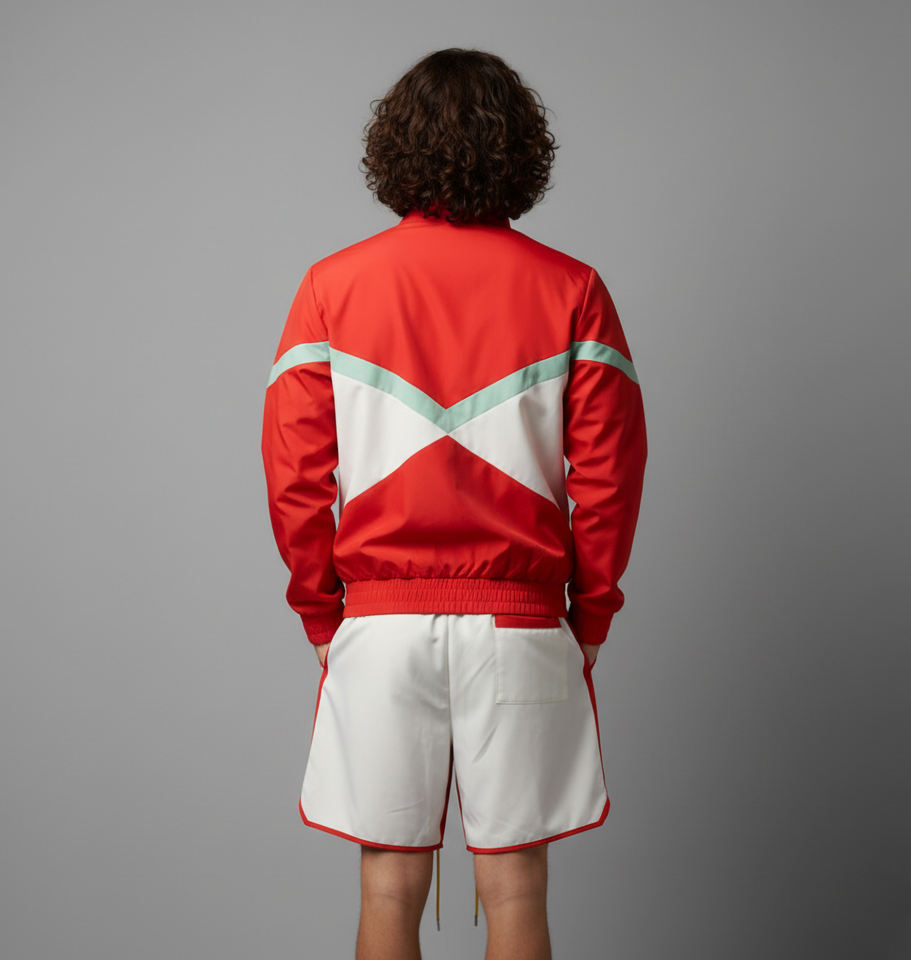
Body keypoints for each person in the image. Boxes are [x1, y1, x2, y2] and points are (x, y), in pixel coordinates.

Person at [261, 46, 648, 960]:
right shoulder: (574, 289)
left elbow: (294, 475)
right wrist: (590, 612)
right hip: (522, 626)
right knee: (515, 889)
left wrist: (321, 610)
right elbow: (610, 477)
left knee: (387, 886)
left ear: (394, 147)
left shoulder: (330, 287)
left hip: (380, 626)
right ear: (522, 149)